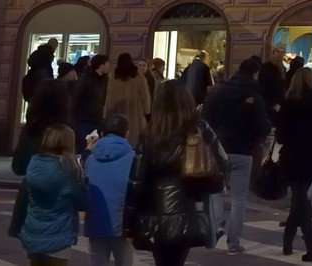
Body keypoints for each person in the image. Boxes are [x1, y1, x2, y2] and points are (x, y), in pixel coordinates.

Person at [131, 80, 222, 266]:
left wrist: (130, 218)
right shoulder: (199, 129)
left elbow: (137, 182)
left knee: (162, 262)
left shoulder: (150, 134)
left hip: (155, 212)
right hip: (189, 209)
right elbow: (222, 164)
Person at [202, 55, 270, 254]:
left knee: (214, 189)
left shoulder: (219, 92)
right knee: (239, 198)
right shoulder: (254, 96)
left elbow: (205, 117)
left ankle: (217, 222)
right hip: (243, 150)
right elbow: (260, 125)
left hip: (218, 147)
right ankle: (233, 243)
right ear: (255, 74)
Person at [278, 66, 312, 262]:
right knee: (300, 199)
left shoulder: (288, 102)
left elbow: (280, 136)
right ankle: (297, 243)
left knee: (299, 198)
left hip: (293, 155)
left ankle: (301, 244)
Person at [19, 123, 87, 266]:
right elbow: (83, 202)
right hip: (59, 238)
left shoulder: (34, 162)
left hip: (33, 234)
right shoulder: (69, 169)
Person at [84, 112, 136, 266]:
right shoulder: (133, 158)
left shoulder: (90, 159)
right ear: (127, 133)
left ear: (101, 134)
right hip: (123, 224)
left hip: (96, 223)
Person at [105, 53, 153, 147]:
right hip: (135, 116)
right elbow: (145, 98)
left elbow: (108, 98)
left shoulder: (113, 79)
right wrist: (147, 114)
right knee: (133, 142)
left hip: (115, 115)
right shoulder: (139, 78)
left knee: (116, 142)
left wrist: (105, 115)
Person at [74, 54, 111, 152]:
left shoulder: (106, 80)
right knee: (86, 147)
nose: (109, 66)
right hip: (85, 120)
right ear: (101, 65)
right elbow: (76, 99)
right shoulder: (85, 80)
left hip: (98, 120)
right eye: (107, 64)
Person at [259, 47, 288, 117]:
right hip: (269, 101)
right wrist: (271, 103)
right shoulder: (266, 67)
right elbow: (263, 85)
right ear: (273, 53)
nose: (280, 54)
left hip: (279, 102)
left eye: (282, 52)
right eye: (278, 51)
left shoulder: (283, 68)